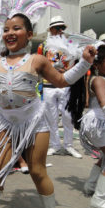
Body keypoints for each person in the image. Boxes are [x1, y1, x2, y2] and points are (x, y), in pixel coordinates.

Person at [0, 0, 96, 208]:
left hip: (34, 121)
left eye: (16, 28)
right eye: (6, 29)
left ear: (29, 34)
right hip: (5, 122)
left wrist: (83, 63)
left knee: (37, 170)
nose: (10, 33)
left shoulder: (37, 60)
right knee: (0, 168)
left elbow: (62, 81)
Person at [67, 44, 105, 208]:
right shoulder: (98, 79)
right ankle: (99, 199)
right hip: (99, 123)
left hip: (101, 122)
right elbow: (104, 103)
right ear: (97, 65)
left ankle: (91, 186)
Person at [38, 15, 82, 158]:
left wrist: (67, 71)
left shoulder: (70, 44)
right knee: (51, 117)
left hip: (65, 84)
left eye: (62, 28)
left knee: (68, 116)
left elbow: (76, 63)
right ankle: (55, 145)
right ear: (51, 29)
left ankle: (68, 145)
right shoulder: (43, 46)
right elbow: (38, 64)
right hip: (48, 85)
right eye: (58, 28)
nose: (60, 30)